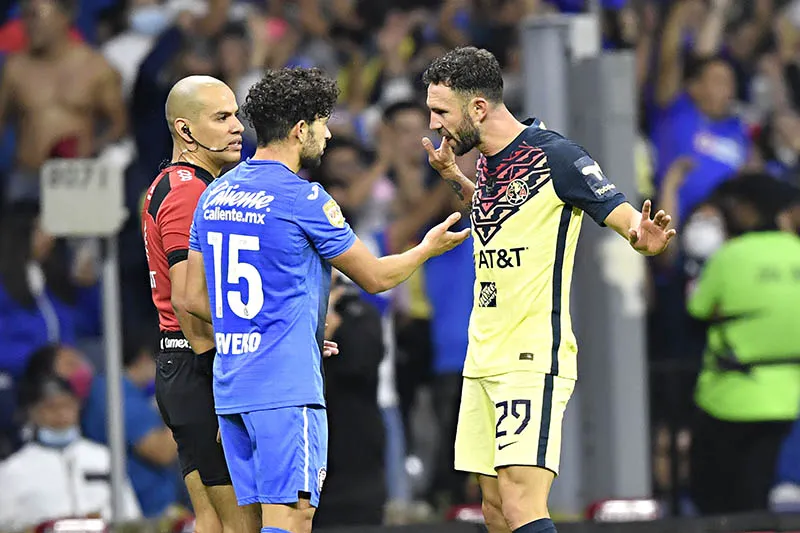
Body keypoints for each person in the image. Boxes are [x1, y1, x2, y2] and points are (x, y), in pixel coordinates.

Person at [183, 66, 470, 533]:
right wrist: (426, 249)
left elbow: (194, 298)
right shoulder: (304, 199)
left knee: (251, 523)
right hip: (285, 389)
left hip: (233, 388)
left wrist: (280, 327)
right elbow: (375, 278)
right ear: (300, 129)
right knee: (291, 519)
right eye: (322, 123)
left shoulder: (216, 193)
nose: (327, 135)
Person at [419, 46, 676, 533]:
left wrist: (646, 238)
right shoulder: (488, 164)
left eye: (440, 111)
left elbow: (628, 223)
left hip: (531, 356)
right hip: (483, 356)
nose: (434, 124)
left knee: (521, 504)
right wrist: (453, 177)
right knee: (493, 510)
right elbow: (501, 216)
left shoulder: (557, 156)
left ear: (478, 108)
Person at [140, 75, 260, 533]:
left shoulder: (170, 185)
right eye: (222, 117)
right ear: (186, 131)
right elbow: (191, 300)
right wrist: (271, 331)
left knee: (211, 523)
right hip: (203, 367)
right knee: (243, 526)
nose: (237, 128)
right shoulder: (191, 192)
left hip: (180, 368)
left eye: (236, 116)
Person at [0, 0, 126, 203]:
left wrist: (93, 146)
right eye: (25, 16)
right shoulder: (15, 69)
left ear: (64, 17)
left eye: (35, 15)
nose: (28, 24)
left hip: (77, 179)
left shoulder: (97, 68)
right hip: (26, 178)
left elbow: (119, 124)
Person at [0, 375, 140, 531]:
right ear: (33, 413)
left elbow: (130, 515)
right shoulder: (13, 469)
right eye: (51, 407)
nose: (61, 415)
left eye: (67, 406)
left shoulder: (103, 458)